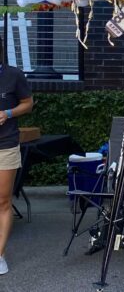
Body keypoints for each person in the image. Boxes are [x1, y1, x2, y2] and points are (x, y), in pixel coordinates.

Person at [0, 38, 34, 275]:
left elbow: (28, 103)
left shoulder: (13, 75)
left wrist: (7, 113)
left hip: (5, 145)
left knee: (2, 201)